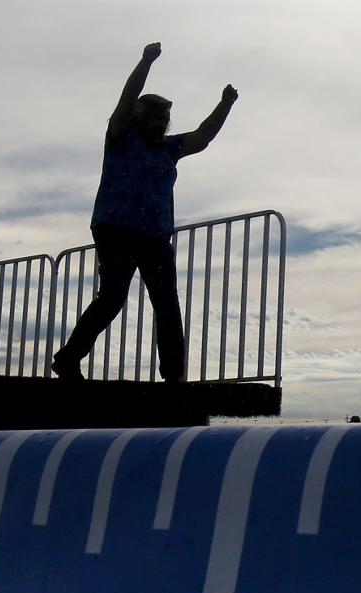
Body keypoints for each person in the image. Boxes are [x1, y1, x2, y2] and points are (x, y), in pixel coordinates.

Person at [52, 42, 238, 382]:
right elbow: (126, 100)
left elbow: (203, 136)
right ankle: (67, 358)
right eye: (158, 118)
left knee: (167, 305)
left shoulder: (169, 149)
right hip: (116, 228)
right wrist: (146, 61)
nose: (163, 125)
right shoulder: (121, 137)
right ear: (143, 118)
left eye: (166, 119)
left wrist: (225, 104)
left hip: (154, 234)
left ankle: (174, 377)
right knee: (112, 298)